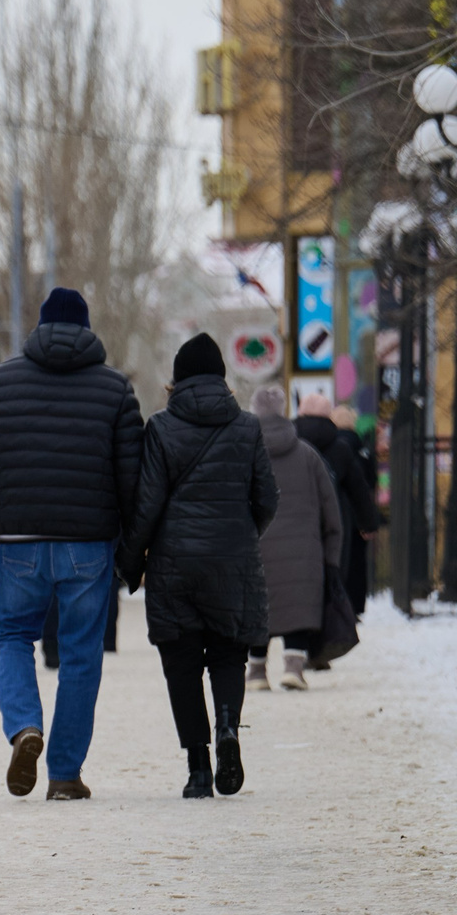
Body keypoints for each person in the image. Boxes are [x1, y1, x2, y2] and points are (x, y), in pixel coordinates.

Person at [0, 287, 142, 802]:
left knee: (13, 637)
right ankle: (64, 774)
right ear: (87, 329)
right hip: (89, 545)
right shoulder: (115, 390)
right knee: (82, 655)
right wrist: (133, 548)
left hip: (18, 543)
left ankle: (24, 726)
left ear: (39, 327)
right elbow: (133, 479)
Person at [122, 334, 276, 797]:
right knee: (229, 653)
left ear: (177, 380)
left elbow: (146, 506)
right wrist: (242, 534)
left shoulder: (161, 428)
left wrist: (131, 563)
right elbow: (267, 498)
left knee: (182, 662)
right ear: (223, 379)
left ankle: (198, 769)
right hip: (234, 563)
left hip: (175, 569)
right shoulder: (247, 427)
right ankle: (228, 727)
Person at [248, 386, 344, 690]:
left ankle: (257, 670)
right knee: (297, 604)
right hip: (303, 551)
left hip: (256, 547)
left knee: (257, 605)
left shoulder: (243, 453)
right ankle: (293, 666)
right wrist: (332, 556)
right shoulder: (307, 454)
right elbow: (331, 510)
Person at [295, 398, 379, 632]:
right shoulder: (341, 447)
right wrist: (369, 522)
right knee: (333, 571)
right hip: (337, 519)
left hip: (299, 521)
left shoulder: (293, 442)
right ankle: (325, 631)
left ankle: (301, 630)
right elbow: (360, 488)